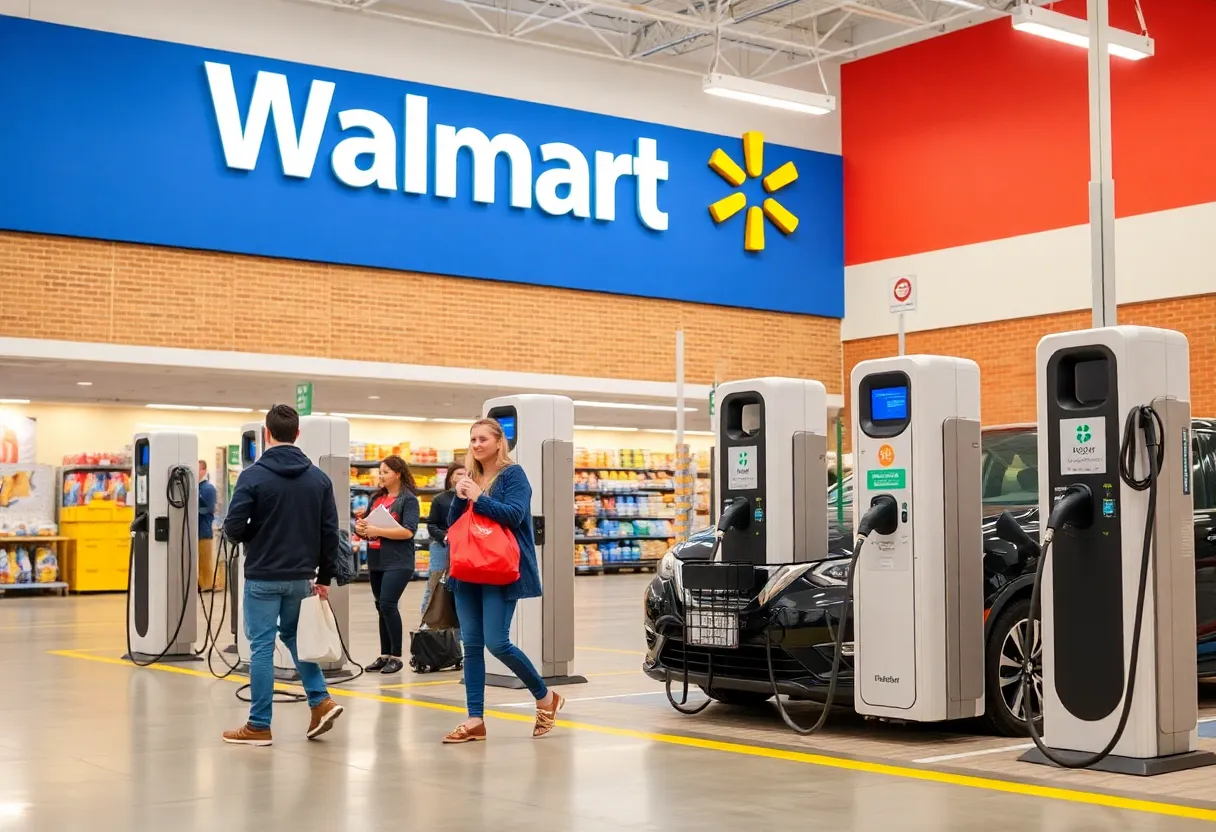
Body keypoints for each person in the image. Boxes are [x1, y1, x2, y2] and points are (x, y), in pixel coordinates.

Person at [220, 404, 344, 746]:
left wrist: (254, 537)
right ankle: (320, 701)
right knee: (295, 639)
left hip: (262, 575)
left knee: (261, 647)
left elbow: (232, 528)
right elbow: (330, 533)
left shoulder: (253, 477)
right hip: (302, 577)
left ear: (266, 433)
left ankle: (259, 725)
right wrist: (324, 577)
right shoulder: (319, 479)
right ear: (298, 434)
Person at [442, 419, 563, 744]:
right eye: (472, 439)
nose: (476, 444)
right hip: (466, 569)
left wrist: (479, 496)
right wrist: (459, 496)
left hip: (499, 568)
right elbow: (454, 525)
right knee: (472, 647)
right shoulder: (469, 476)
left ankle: (545, 697)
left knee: (497, 642)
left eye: (482, 438)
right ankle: (474, 719)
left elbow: (514, 515)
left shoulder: (514, 475)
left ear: (499, 442)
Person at [354, 454, 419, 674]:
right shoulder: (376, 498)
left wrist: (377, 531)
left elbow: (408, 531)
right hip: (377, 559)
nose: (381, 476)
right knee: (380, 606)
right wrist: (361, 529)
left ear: (398, 474)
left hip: (398, 561)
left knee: (389, 604)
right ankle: (384, 655)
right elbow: (368, 529)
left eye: (385, 472)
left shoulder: (408, 499)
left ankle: (397, 656)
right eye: (380, 472)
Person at [420, 464, 465, 617]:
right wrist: (445, 536)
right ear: (451, 478)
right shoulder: (440, 499)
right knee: (434, 585)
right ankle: (427, 623)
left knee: (461, 588)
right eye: (459, 473)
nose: (464, 476)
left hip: (465, 548)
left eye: (467, 473)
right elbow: (431, 524)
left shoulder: (473, 498)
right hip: (442, 547)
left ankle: (458, 630)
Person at [197, 459, 223, 592]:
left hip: (203, 530)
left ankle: (207, 585)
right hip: (195, 531)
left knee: (205, 561)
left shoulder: (208, 489)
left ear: (203, 471)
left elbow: (206, 509)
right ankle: (200, 583)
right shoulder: (195, 488)